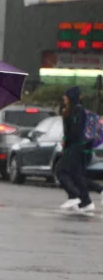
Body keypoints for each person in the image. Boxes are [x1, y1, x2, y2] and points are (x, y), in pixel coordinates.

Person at [56, 87, 94, 215]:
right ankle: (86, 202)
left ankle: (74, 196)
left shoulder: (77, 111)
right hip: (72, 146)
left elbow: (75, 131)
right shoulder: (69, 110)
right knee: (76, 175)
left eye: (66, 95)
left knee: (60, 170)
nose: (64, 98)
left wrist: (66, 140)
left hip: (75, 147)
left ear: (71, 97)